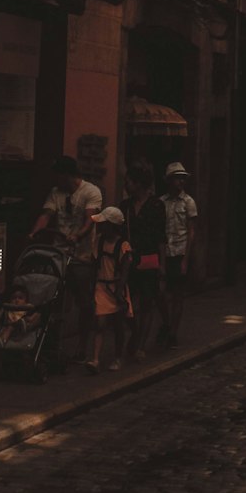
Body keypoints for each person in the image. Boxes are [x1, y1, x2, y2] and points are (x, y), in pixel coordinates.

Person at [30, 155, 102, 361]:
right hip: (58, 254)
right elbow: (46, 214)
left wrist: (78, 235)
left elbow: (90, 219)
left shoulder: (90, 192)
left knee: (84, 302)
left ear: (67, 175)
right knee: (52, 298)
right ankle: (52, 343)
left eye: (58, 175)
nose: (55, 179)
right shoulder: (56, 193)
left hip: (82, 255)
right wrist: (35, 232)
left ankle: (82, 345)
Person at [120, 160, 167, 360]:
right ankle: (135, 332)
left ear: (138, 183)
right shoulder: (125, 206)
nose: (126, 185)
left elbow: (161, 238)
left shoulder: (156, 205)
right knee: (126, 303)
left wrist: (162, 266)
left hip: (149, 258)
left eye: (129, 181)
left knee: (147, 303)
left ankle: (140, 345)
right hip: (129, 260)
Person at [87, 206, 133, 374]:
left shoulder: (123, 245)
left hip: (116, 288)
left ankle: (118, 357)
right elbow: (94, 264)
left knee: (118, 325)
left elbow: (125, 271)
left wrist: (120, 291)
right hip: (101, 286)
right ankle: (95, 359)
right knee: (99, 323)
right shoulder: (99, 241)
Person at [158, 162, 197, 348]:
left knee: (178, 295)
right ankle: (166, 323)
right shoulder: (161, 202)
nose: (180, 182)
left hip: (180, 251)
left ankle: (173, 332)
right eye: (177, 178)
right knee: (161, 293)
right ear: (169, 180)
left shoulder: (188, 202)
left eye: (182, 178)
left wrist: (186, 260)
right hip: (165, 252)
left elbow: (191, 231)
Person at [0, 280, 40, 348]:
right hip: (12, 328)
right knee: (9, 328)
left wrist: (31, 319)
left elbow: (35, 315)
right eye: (14, 298)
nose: (17, 300)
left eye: (20, 298)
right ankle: (2, 340)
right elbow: (4, 319)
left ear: (26, 300)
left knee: (35, 315)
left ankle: (24, 324)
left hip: (25, 329)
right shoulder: (9, 309)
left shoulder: (28, 307)